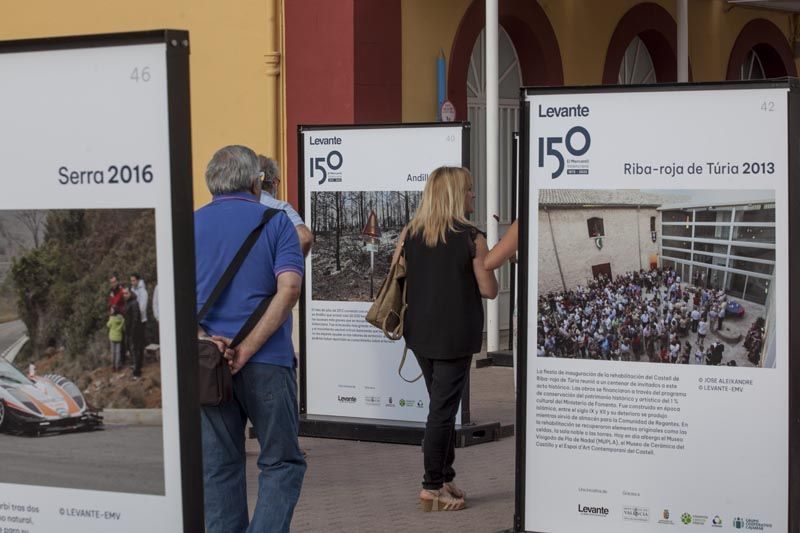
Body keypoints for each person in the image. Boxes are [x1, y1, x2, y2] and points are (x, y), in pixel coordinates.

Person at [195, 145, 305, 532]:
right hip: (268, 363)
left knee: (220, 466)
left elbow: (168, 301)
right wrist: (246, 349)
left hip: (208, 368)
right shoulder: (276, 223)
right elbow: (289, 289)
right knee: (281, 462)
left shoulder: (188, 225)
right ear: (257, 183)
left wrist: (210, 343)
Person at [391, 166, 498, 512]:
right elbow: (490, 291)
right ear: (455, 195)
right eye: (469, 190)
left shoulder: (410, 233)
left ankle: (444, 474)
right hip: (455, 336)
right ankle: (431, 487)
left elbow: (397, 277)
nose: (473, 196)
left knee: (442, 407)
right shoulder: (472, 238)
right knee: (441, 411)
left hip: (419, 334)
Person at [258, 155, 313, 257]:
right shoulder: (280, 208)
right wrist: (287, 265)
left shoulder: (232, 205)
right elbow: (304, 238)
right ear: (274, 183)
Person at [123, 287, 145, 379]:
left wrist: (132, 331)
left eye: (126, 293)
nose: (125, 295)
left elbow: (136, 319)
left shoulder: (134, 303)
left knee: (135, 350)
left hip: (134, 331)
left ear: (130, 293)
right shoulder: (128, 302)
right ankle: (135, 366)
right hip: (129, 330)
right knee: (131, 349)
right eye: (124, 293)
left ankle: (137, 372)